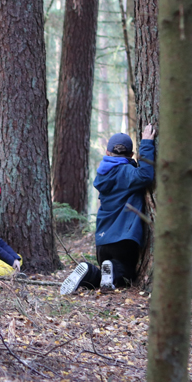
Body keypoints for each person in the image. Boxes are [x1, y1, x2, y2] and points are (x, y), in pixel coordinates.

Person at [60, 124, 156, 295]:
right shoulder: (126, 171)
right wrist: (147, 144)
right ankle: (112, 268)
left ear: (107, 153)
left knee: (105, 279)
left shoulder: (102, 175)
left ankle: (88, 271)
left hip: (103, 242)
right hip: (124, 238)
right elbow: (146, 175)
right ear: (131, 155)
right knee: (127, 273)